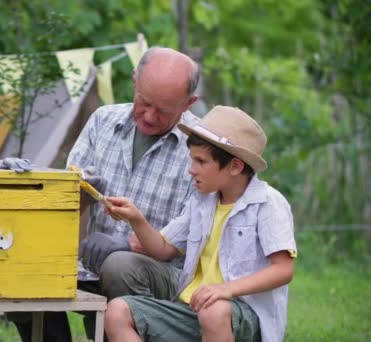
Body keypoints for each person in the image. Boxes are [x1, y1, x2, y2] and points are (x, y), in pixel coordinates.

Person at [9, 46, 201, 342]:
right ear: (135, 82)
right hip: (92, 263)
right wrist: (82, 194)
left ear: (189, 103)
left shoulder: (201, 149)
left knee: (119, 264)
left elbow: (195, 237)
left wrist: (126, 244)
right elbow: (64, 200)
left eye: (163, 111)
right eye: (144, 102)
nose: (149, 116)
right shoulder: (103, 121)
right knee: (20, 259)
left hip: (165, 276)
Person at [103, 105, 297, 342]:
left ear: (235, 166)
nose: (191, 170)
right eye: (192, 160)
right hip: (192, 310)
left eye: (201, 162)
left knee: (213, 311)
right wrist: (136, 218)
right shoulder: (202, 201)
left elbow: (283, 270)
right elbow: (162, 250)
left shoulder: (268, 203)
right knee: (116, 312)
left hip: (242, 316)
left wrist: (226, 290)